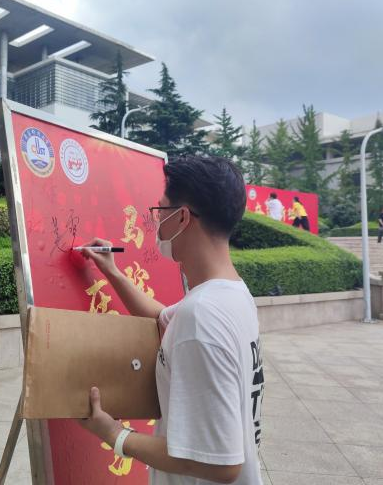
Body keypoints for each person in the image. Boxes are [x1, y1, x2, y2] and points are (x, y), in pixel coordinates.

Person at [78, 156, 264, 485]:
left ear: (181, 217)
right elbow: (162, 318)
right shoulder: (232, 294)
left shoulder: (203, 315)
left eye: (160, 210)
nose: (157, 222)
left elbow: (221, 464)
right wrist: (112, 271)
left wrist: (115, 435)